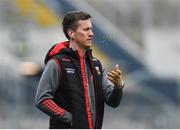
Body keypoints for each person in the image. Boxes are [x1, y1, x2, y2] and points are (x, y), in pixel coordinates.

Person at [35, 11, 125, 129]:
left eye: (91, 29)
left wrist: (118, 87)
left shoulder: (96, 65)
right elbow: (42, 99)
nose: (91, 34)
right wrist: (71, 119)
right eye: (86, 29)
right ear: (72, 33)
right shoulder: (57, 63)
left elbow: (113, 102)